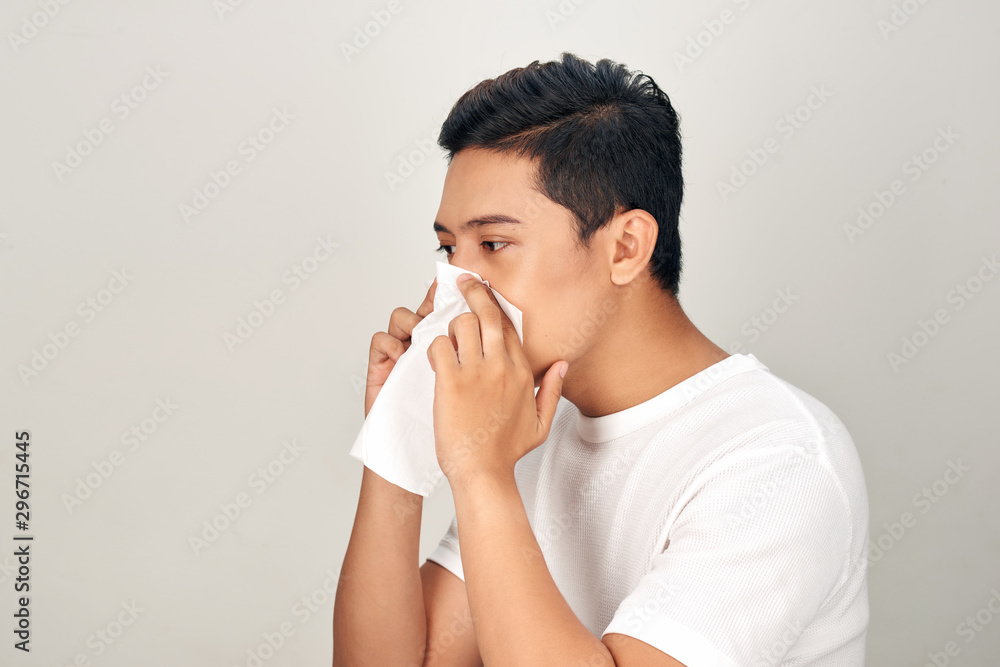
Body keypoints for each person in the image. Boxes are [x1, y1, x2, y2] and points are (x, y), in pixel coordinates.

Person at [333, 51, 869, 667]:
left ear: (626, 247)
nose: (456, 284)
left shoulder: (777, 460)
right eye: (449, 248)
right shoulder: (528, 426)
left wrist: (482, 475)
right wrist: (396, 440)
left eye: (494, 243)